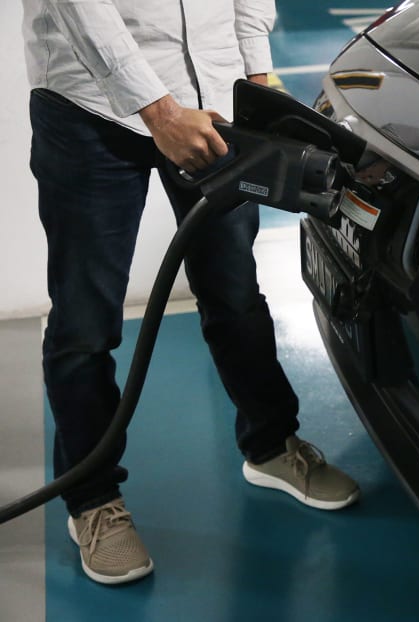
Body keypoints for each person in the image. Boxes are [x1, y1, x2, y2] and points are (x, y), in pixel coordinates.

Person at [21, 0, 359, 585]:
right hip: (89, 107)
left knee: (234, 289)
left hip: (214, 96)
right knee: (86, 315)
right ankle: (92, 500)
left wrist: (256, 78)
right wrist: (157, 111)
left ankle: (272, 445)